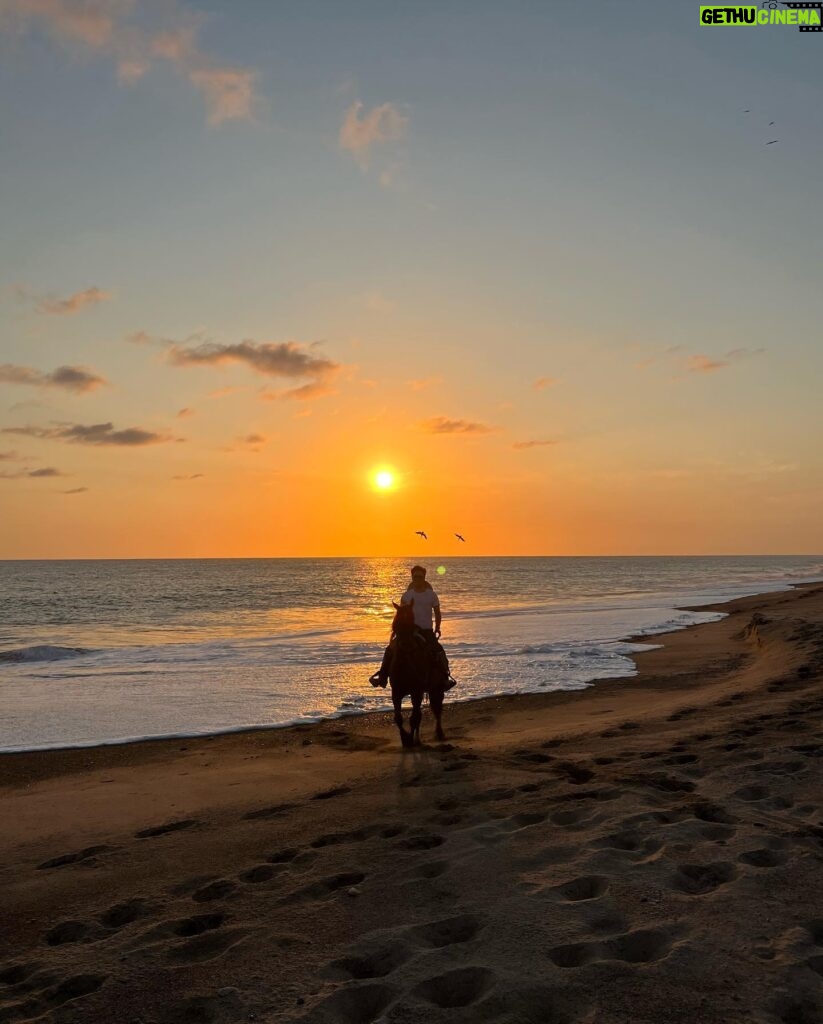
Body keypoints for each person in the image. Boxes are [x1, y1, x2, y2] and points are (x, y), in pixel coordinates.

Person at [370, 565, 455, 689]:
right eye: (415, 577)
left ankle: (445, 678)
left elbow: (437, 612)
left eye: (420, 577)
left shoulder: (431, 595)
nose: (417, 579)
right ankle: (382, 677)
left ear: (424, 578)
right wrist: (397, 630)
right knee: (390, 649)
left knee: (439, 650)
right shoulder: (406, 596)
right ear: (412, 578)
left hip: (426, 630)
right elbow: (400, 615)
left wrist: (437, 627)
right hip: (409, 631)